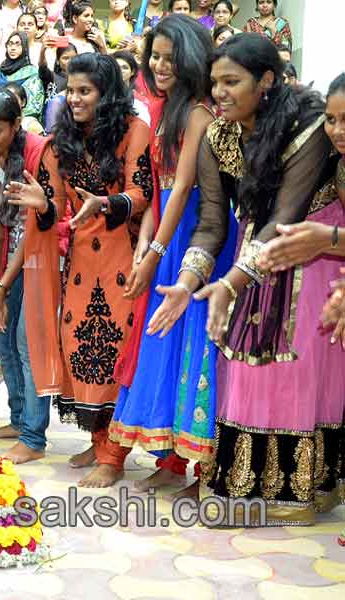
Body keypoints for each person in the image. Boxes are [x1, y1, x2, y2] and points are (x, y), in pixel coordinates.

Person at [154, 35, 338, 525]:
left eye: (231, 82)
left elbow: (284, 219)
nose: (219, 92)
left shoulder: (310, 127)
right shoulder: (219, 136)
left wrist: (231, 283)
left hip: (313, 255)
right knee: (243, 370)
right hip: (250, 258)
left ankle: (296, 495)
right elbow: (213, 223)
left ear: (268, 81)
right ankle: (244, 490)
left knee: (294, 368)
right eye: (215, 82)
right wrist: (190, 280)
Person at [107, 15, 222, 497]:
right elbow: (157, 191)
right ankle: (172, 456)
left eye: (170, 59)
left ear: (191, 61)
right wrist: (144, 249)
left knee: (194, 347)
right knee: (162, 346)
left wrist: (154, 251)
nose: (158, 65)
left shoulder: (198, 112)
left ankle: (203, 466)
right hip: (166, 234)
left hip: (196, 238)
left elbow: (183, 191)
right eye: (154, 55)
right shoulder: (167, 111)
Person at [46, 53, 152, 487]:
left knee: (113, 348)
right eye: (70, 90)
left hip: (121, 257)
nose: (73, 98)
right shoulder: (62, 140)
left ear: (106, 94)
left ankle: (113, 456)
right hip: (80, 263)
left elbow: (141, 193)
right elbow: (53, 206)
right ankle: (98, 436)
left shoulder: (133, 131)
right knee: (77, 344)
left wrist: (105, 203)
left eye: (84, 91)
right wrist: (41, 206)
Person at [0, 88, 58, 464]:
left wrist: (3, 282)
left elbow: (33, 226)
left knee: (28, 341)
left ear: (15, 126)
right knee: (1, 334)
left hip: (40, 251)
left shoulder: (39, 150)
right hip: (6, 250)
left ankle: (33, 435)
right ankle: (17, 416)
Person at [0, 32, 45, 134]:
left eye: (17, 44)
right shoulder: (0, 72)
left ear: (24, 47)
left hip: (23, 120)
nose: (13, 48)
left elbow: (33, 107)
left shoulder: (31, 73)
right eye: (10, 44)